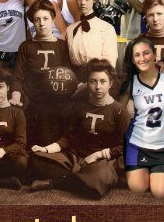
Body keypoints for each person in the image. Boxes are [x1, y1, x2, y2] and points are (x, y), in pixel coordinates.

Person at [29, 59, 130, 200]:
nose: (98, 87)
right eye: (93, 81)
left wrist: (98, 155)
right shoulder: (80, 107)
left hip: (102, 162)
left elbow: (125, 145)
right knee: (36, 159)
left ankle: (58, 183)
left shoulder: (119, 111)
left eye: (103, 81)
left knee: (97, 181)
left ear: (110, 84)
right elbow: (68, 138)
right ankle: (81, 179)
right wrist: (47, 149)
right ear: (87, 83)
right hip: (77, 157)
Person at [120, 37, 164, 199]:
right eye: (137, 55)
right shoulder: (131, 83)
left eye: (146, 53)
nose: (142, 58)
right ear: (132, 60)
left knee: (161, 193)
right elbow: (116, 111)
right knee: (138, 188)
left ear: (155, 55)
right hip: (137, 145)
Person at [10, 0, 73, 146]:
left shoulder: (62, 46)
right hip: (32, 100)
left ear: (52, 19)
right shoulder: (26, 46)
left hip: (56, 100)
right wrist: (15, 96)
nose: (42, 23)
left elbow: (69, 77)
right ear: (32, 22)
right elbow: (18, 77)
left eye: (45, 19)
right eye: (37, 20)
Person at [66, 0, 118, 79]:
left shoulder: (107, 28)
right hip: (75, 80)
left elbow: (110, 63)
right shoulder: (70, 29)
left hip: (98, 79)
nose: (82, 2)